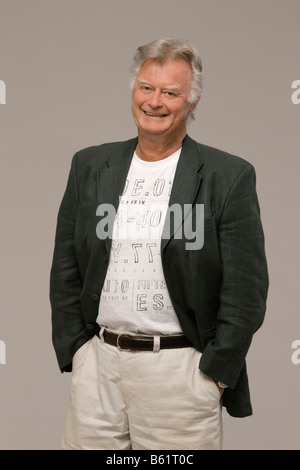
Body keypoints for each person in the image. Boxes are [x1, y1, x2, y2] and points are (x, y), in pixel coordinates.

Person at [50, 38, 269, 450]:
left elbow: (247, 290)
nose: (155, 101)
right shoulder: (91, 165)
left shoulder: (228, 176)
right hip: (99, 367)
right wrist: (78, 351)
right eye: (146, 88)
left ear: (192, 101)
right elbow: (65, 266)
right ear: (133, 90)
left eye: (171, 92)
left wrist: (215, 375)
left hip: (179, 373)